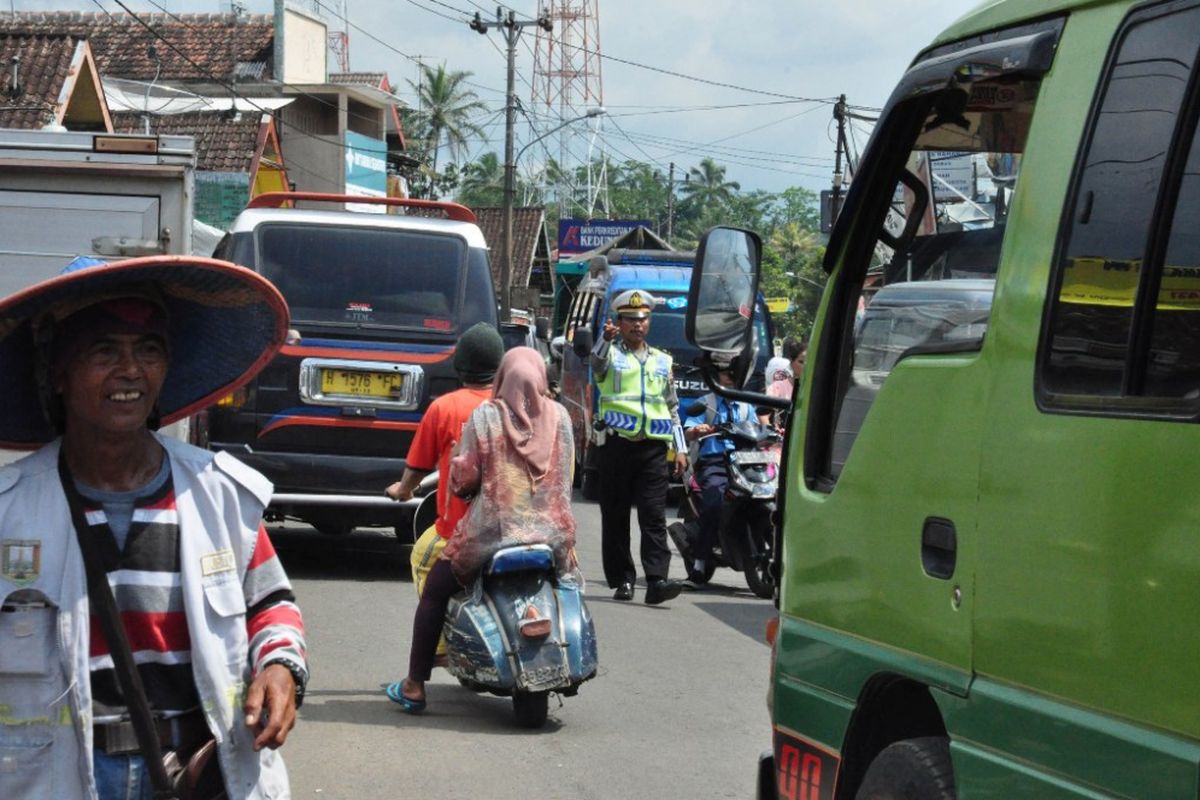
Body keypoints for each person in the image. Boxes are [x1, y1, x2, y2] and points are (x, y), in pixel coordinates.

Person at [0, 255, 307, 800]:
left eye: (148, 350)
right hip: (54, 778)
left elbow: (270, 604)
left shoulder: (218, 496)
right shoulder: (11, 509)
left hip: (196, 772)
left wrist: (280, 667)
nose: (130, 370)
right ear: (58, 373)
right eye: (103, 351)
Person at [386, 347, 577, 712]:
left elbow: (464, 479)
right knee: (567, 584)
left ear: (502, 378)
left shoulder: (487, 416)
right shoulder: (561, 417)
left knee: (435, 592)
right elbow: (567, 474)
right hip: (552, 536)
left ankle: (414, 684)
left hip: (492, 536)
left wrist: (464, 476)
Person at [384, 322, 504, 636]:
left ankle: (437, 646)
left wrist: (403, 490)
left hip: (458, 531)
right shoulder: (516, 407)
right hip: (514, 528)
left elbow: (419, 466)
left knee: (421, 559)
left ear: (459, 364)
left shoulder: (445, 408)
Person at [590, 288, 686, 605]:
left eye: (642, 319)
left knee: (653, 515)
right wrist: (604, 339)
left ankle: (657, 580)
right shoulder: (610, 355)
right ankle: (623, 580)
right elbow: (595, 363)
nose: (637, 325)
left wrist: (681, 448)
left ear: (650, 322)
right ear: (619, 322)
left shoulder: (662, 361)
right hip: (616, 446)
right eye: (630, 320)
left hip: (653, 450)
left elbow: (672, 408)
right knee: (616, 517)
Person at [682, 354, 763, 579]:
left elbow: (758, 430)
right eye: (727, 374)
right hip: (715, 462)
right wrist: (698, 431)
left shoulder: (747, 405)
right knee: (714, 503)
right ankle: (699, 563)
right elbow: (689, 430)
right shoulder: (707, 402)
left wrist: (773, 433)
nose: (731, 378)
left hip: (745, 463)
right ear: (716, 375)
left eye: (735, 374)